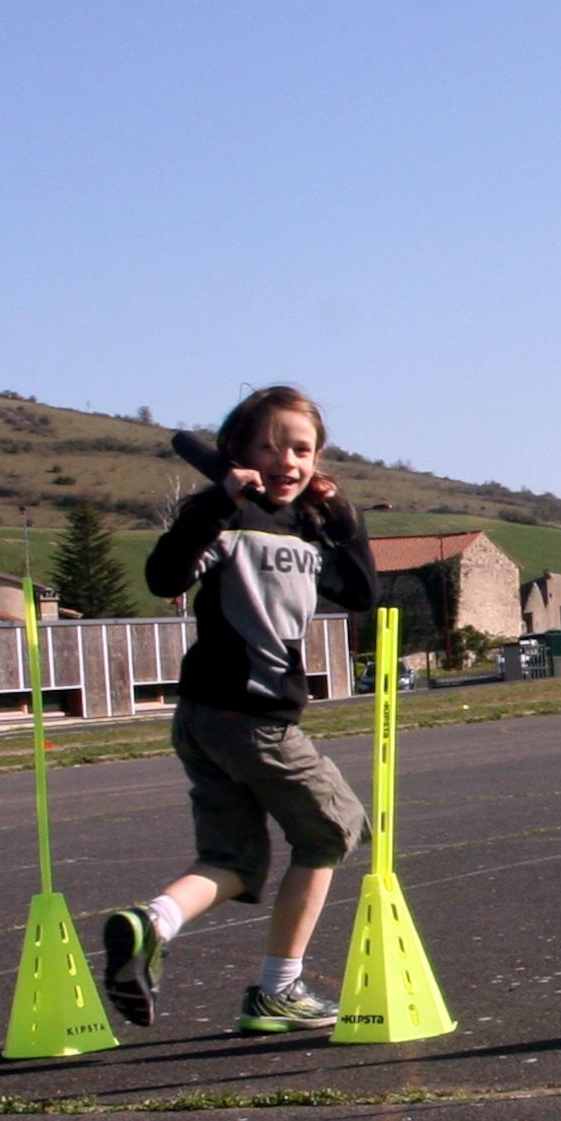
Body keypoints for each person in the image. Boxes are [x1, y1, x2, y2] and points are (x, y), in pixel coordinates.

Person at [102, 385, 377, 1034]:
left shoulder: (307, 528)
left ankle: (152, 923)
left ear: (319, 459)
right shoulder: (223, 516)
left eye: (302, 449)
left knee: (233, 860)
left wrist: (342, 516)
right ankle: (278, 989)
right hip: (249, 719)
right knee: (333, 828)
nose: (287, 459)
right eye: (269, 445)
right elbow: (165, 577)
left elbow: (361, 590)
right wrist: (215, 500)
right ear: (236, 453)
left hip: (209, 722)